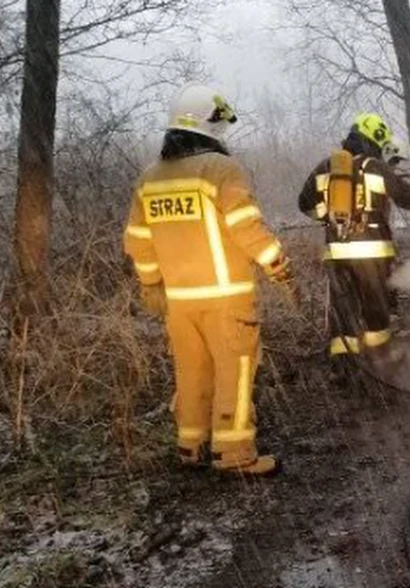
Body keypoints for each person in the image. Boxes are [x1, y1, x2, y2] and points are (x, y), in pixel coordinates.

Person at [123, 85, 296, 476]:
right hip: (226, 299)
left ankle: (191, 444)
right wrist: (277, 264)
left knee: (192, 372)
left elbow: (138, 239)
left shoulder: (150, 178)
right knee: (234, 373)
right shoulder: (220, 170)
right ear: (209, 124)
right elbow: (245, 226)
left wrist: (151, 284)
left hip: (179, 302)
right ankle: (234, 455)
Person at [296, 113, 410, 372]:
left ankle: (345, 366)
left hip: (337, 252)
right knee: (375, 306)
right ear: (374, 141)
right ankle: (380, 359)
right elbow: (409, 199)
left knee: (343, 309)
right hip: (372, 252)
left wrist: (328, 217)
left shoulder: (326, 167)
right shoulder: (374, 167)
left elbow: (304, 203)